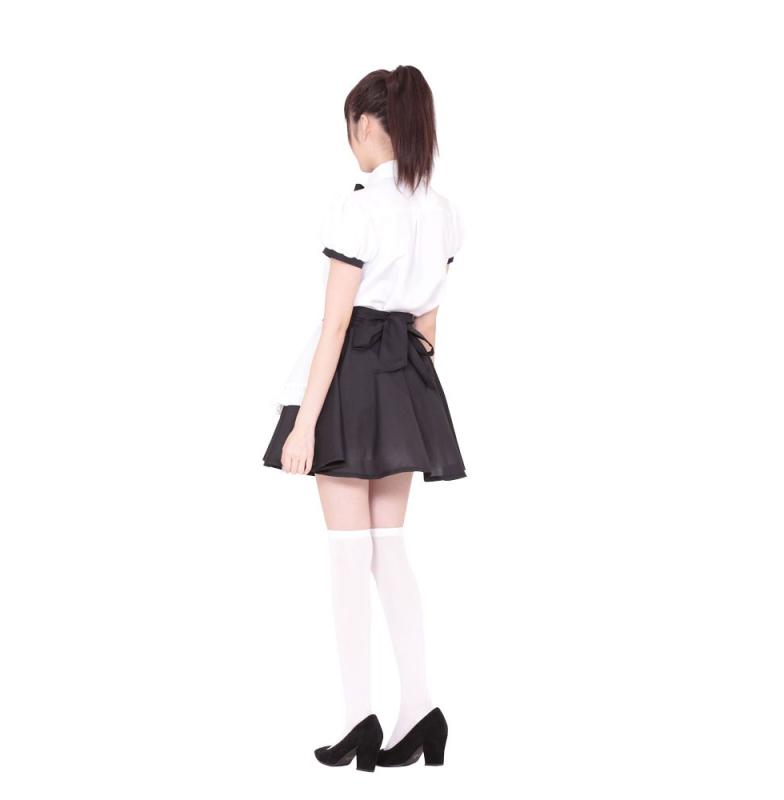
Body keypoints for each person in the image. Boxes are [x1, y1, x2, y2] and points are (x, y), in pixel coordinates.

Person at [262, 64, 464, 771]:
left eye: (352, 126)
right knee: (390, 546)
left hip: (350, 381)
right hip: (406, 379)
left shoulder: (359, 207)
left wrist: (305, 424)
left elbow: (336, 323)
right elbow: (427, 329)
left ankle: (359, 720)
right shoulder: (442, 210)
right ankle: (422, 709)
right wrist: (401, 390)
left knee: (350, 554)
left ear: (369, 125)